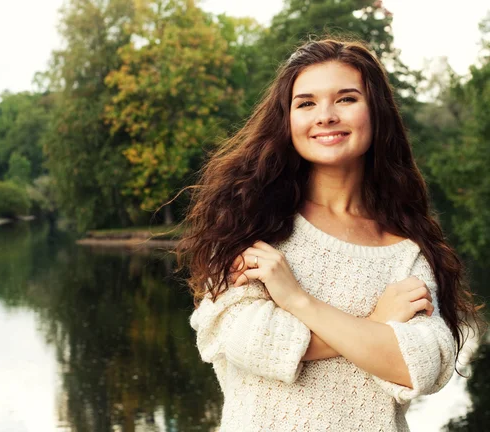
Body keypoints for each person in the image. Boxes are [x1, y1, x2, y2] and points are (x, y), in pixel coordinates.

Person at [175, 38, 482, 431]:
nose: (325, 116)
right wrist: (376, 326)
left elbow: (419, 365)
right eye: (306, 103)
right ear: (287, 119)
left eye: (346, 99)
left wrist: (297, 301)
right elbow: (250, 341)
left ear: (376, 113)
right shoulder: (252, 225)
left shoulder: (407, 252)